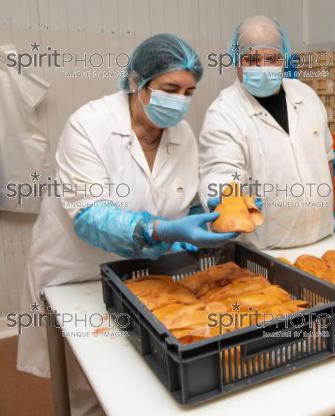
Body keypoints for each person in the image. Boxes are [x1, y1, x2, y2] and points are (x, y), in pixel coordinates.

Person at [16, 34, 236, 415]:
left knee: (141, 380)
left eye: (189, 92)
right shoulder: (90, 125)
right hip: (77, 272)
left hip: (140, 278)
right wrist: (163, 231)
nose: (181, 101)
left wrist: (212, 207)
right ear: (136, 81)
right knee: (88, 382)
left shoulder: (182, 135)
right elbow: (91, 217)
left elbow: (183, 195)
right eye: (170, 88)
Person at [198, 15, 335, 250]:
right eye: (251, 59)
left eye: (271, 58)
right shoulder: (224, 113)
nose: (262, 67)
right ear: (236, 61)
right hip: (266, 254)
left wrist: (329, 208)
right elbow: (221, 171)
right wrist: (224, 198)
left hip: (323, 240)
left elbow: (327, 156)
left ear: (284, 59)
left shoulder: (307, 96)